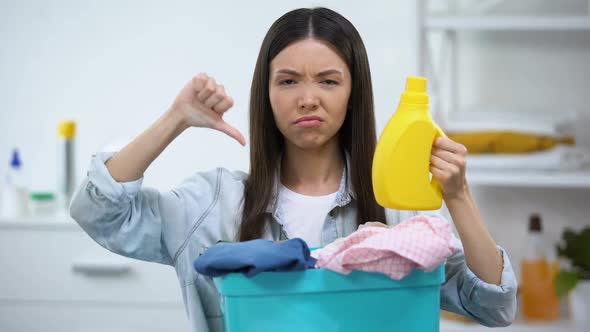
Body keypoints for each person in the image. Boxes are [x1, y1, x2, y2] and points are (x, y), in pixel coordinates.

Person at [70, 7, 517, 332]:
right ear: (265, 93)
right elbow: (100, 214)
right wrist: (176, 119)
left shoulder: (398, 214)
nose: (308, 98)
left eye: (328, 80)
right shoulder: (214, 205)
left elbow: (494, 306)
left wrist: (457, 195)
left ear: (352, 93)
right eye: (288, 81)